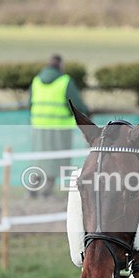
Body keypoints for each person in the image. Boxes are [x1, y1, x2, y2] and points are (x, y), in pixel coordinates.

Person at [29, 54, 88, 198]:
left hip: (38, 126)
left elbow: (29, 102)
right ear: (61, 65)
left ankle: (32, 188)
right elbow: (75, 104)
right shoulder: (64, 81)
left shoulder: (36, 80)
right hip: (60, 126)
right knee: (56, 159)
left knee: (39, 158)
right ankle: (46, 191)